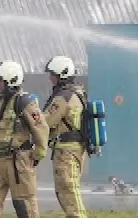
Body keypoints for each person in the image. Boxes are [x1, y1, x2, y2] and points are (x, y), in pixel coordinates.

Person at [0, 60, 48, 218]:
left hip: (18, 161)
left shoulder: (25, 102)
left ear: (10, 81)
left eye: (0, 80)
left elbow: (41, 128)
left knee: (25, 206)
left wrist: (37, 155)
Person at [42, 56, 88, 218]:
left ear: (62, 75)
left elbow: (46, 121)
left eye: (53, 74)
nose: (50, 78)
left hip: (66, 153)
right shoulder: (77, 92)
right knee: (66, 192)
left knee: (69, 192)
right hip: (73, 150)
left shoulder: (63, 97)